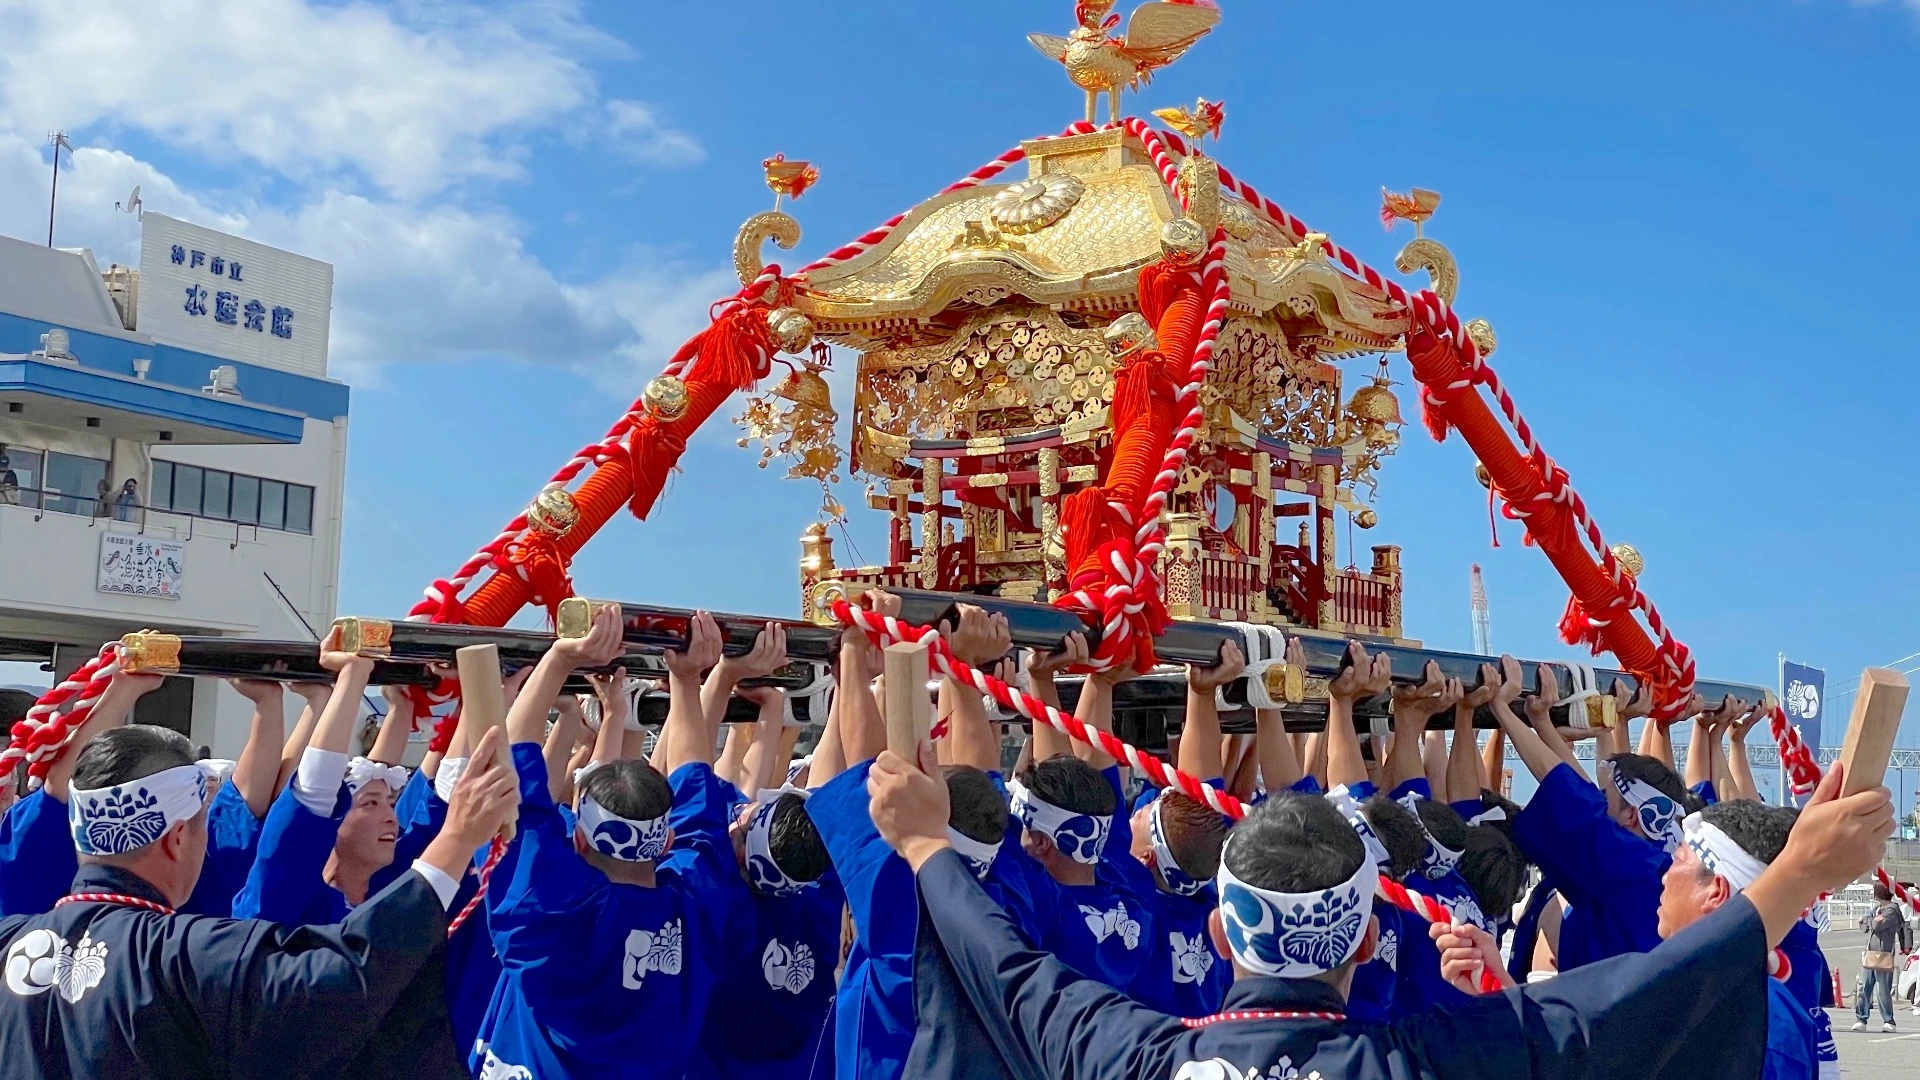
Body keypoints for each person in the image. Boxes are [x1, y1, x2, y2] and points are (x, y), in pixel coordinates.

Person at [868, 740, 1894, 1080]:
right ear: (1368, 935)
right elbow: (1633, 999)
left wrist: (921, 843)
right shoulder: (1440, 1055)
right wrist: (1795, 879)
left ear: (1223, 932)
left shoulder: (1133, 1055)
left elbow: (1004, 968)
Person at [0, 718, 521, 1079]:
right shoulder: (183, 954)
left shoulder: (10, 941)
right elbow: (350, 971)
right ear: (178, 837)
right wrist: (455, 840)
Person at [471, 605, 748, 1079]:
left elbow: (508, 778)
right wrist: (685, 681)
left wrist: (560, 660)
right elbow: (697, 790)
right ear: (666, 844)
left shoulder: (548, 906)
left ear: (577, 839)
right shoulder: (697, 907)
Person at [1852, 881, 1910, 1032]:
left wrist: (1868, 920)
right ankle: (1861, 1019)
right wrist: (1869, 920)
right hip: (1870, 953)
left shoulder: (1892, 910)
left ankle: (1888, 1021)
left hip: (1883, 953)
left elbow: (1876, 925)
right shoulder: (1877, 909)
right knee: (1864, 987)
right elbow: (1865, 925)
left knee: (1883, 989)